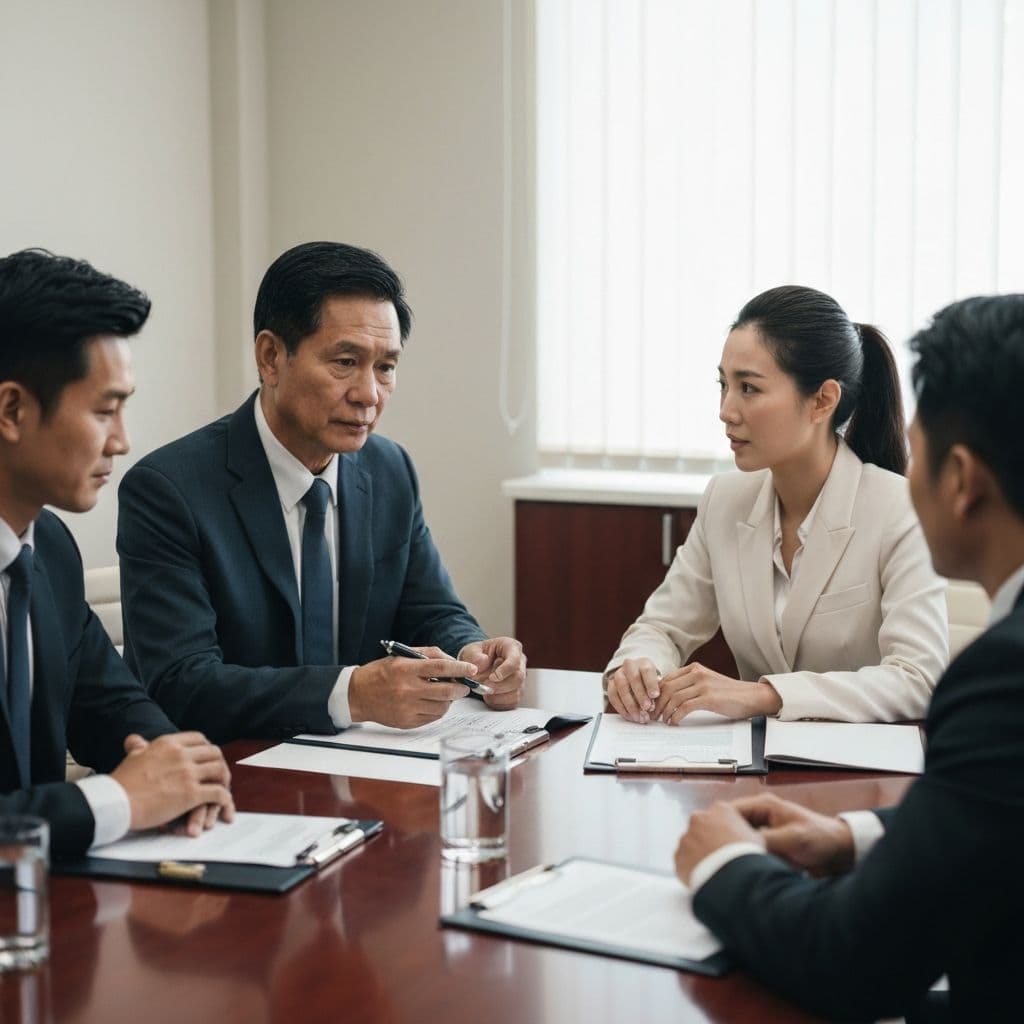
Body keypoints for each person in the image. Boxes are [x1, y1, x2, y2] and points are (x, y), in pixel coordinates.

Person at [674, 294, 1024, 1022]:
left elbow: (855, 963)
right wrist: (851, 836)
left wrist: (720, 861)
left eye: (918, 451)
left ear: (959, 480)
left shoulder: (1003, 678)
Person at [117, 241, 526, 743]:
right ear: (271, 357)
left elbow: (432, 610)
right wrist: (352, 693)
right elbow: (183, 684)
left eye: (386, 367)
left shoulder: (390, 469)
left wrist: (472, 654)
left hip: (357, 773)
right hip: (230, 772)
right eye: (345, 362)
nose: (368, 394)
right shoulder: (169, 490)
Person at [605, 285, 947, 724]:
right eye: (723, 385)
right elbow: (662, 627)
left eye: (748, 388)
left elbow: (918, 679)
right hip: (756, 774)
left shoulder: (899, 509)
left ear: (823, 400)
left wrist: (766, 696)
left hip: (862, 776)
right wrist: (639, 666)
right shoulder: (725, 500)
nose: (726, 410)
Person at [0, 249, 235, 860]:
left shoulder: (47, 549)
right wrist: (116, 802)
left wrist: (181, 768)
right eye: (105, 410)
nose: (123, 440)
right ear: (12, 410)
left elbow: (107, 702)